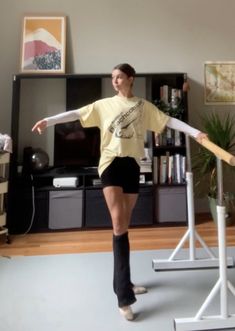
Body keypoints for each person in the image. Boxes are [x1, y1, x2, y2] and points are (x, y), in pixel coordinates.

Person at [32, 63, 207, 321]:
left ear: (130, 79)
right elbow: (77, 113)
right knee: (117, 223)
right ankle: (124, 298)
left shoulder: (143, 106)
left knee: (124, 224)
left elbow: (167, 120)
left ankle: (124, 283)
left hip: (132, 165)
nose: (115, 81)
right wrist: (50, 120)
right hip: (111, 164)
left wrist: (195, 133)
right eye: (113, 78)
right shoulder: (104, 105)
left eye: (119, 77)